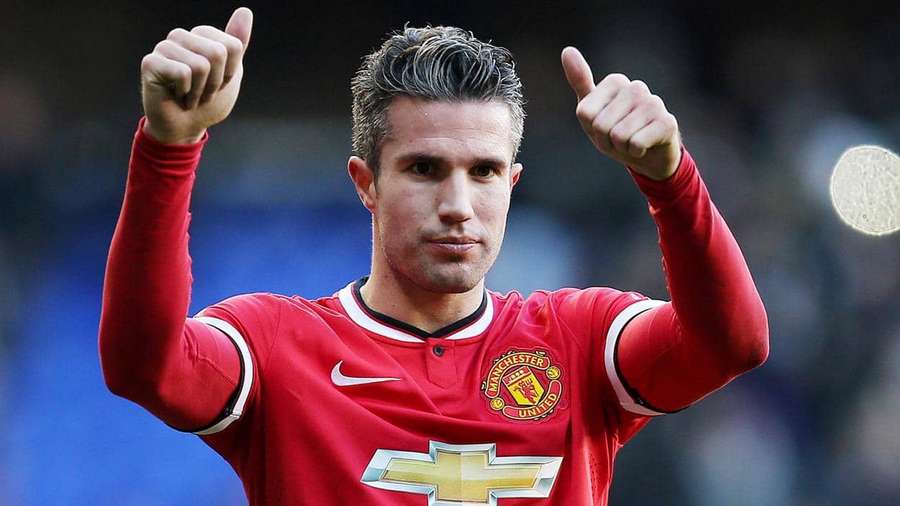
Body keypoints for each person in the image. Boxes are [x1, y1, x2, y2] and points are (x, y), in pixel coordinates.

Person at [98, 7, 769, 505]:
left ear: (512, 184)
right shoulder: (278, 347)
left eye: (484, 172)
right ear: (366, 183)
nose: (457, 204)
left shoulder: (580, 341)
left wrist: (669, 178)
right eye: (424, 169)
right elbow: (144, 366)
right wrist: (169, 146)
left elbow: (732, 344)